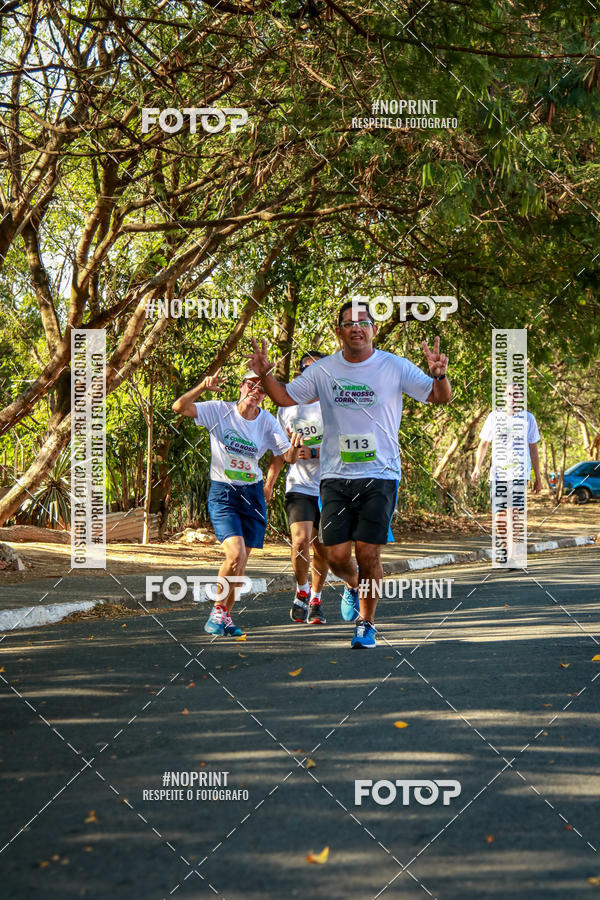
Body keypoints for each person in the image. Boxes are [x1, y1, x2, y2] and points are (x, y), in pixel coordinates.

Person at [245, 301, 452, 649]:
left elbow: (439, 397)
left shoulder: (393, 366)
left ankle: (366, 623)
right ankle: (354, 585)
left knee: (368, 552)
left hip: (380, 474)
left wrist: (439, 375)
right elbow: (282, 397)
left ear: (372, 328)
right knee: (336, 555)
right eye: (349, 323)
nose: (357, 327)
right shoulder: (323, 370)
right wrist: (265, 372)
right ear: (338, 331)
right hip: (335, 477)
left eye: (364, 322)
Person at [172, 368, 302, 637]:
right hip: (224, 493)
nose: (256, 391)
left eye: (261, 388)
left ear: (265, 395)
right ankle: (218, 610)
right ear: (241, 386)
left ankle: (225, 617)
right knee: (235, 555)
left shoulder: (267, 421)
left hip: (252, 494)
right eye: (251, 385)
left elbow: (286, 456)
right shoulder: (219, 410)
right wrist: (202, 387)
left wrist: (293, 447)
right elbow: (179, 407)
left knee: (241, 565)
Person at [269, 351, 330, 624]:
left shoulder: (335, 404)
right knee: (300, 540)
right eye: (307, 369)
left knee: (323, 548)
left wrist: (314, 453)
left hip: (331, 485)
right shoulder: (288, 405)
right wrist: (271, 480)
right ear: (300, 373)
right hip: (300, 484)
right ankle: (302, 591)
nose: (312, 374)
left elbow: (349, 448)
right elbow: (282, 452)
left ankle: (316, 597)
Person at [471, 384, 542, 559]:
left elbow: (533, 449)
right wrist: (477, 467)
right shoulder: (494, 417)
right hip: (498, 474)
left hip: (519, 473)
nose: (512, 397)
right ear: (504, 396)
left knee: (514, 512)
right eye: (509, 393)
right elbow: (484, 444)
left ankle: (511, 553)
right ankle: (504, 548)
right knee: (500, 514)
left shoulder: (528, 419)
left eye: (516, 394)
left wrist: (538, 476)